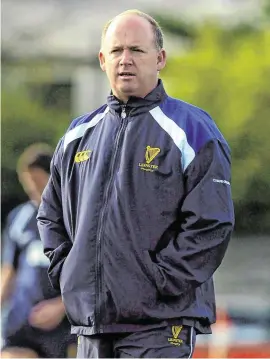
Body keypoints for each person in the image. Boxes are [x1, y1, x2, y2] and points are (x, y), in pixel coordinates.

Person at [37, 9, 235, 358]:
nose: (125, 60)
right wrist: (70, 272)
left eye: (136, 50)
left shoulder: (192, 131)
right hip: (92, 325)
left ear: (159, 59)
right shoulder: (77, 136)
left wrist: (158, 282)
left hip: (161, 323)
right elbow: (50, 215)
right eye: (116, 51)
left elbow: (212, 223)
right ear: (102, 59)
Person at [1, 143, 76, 358]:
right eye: (27, 181)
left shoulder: (74, 216)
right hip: (24, 321)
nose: (32, 187)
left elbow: (91, 272)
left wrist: (61, 306)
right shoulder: (20, 218)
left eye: (37, 180)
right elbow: (10, 269)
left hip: (63, 326)